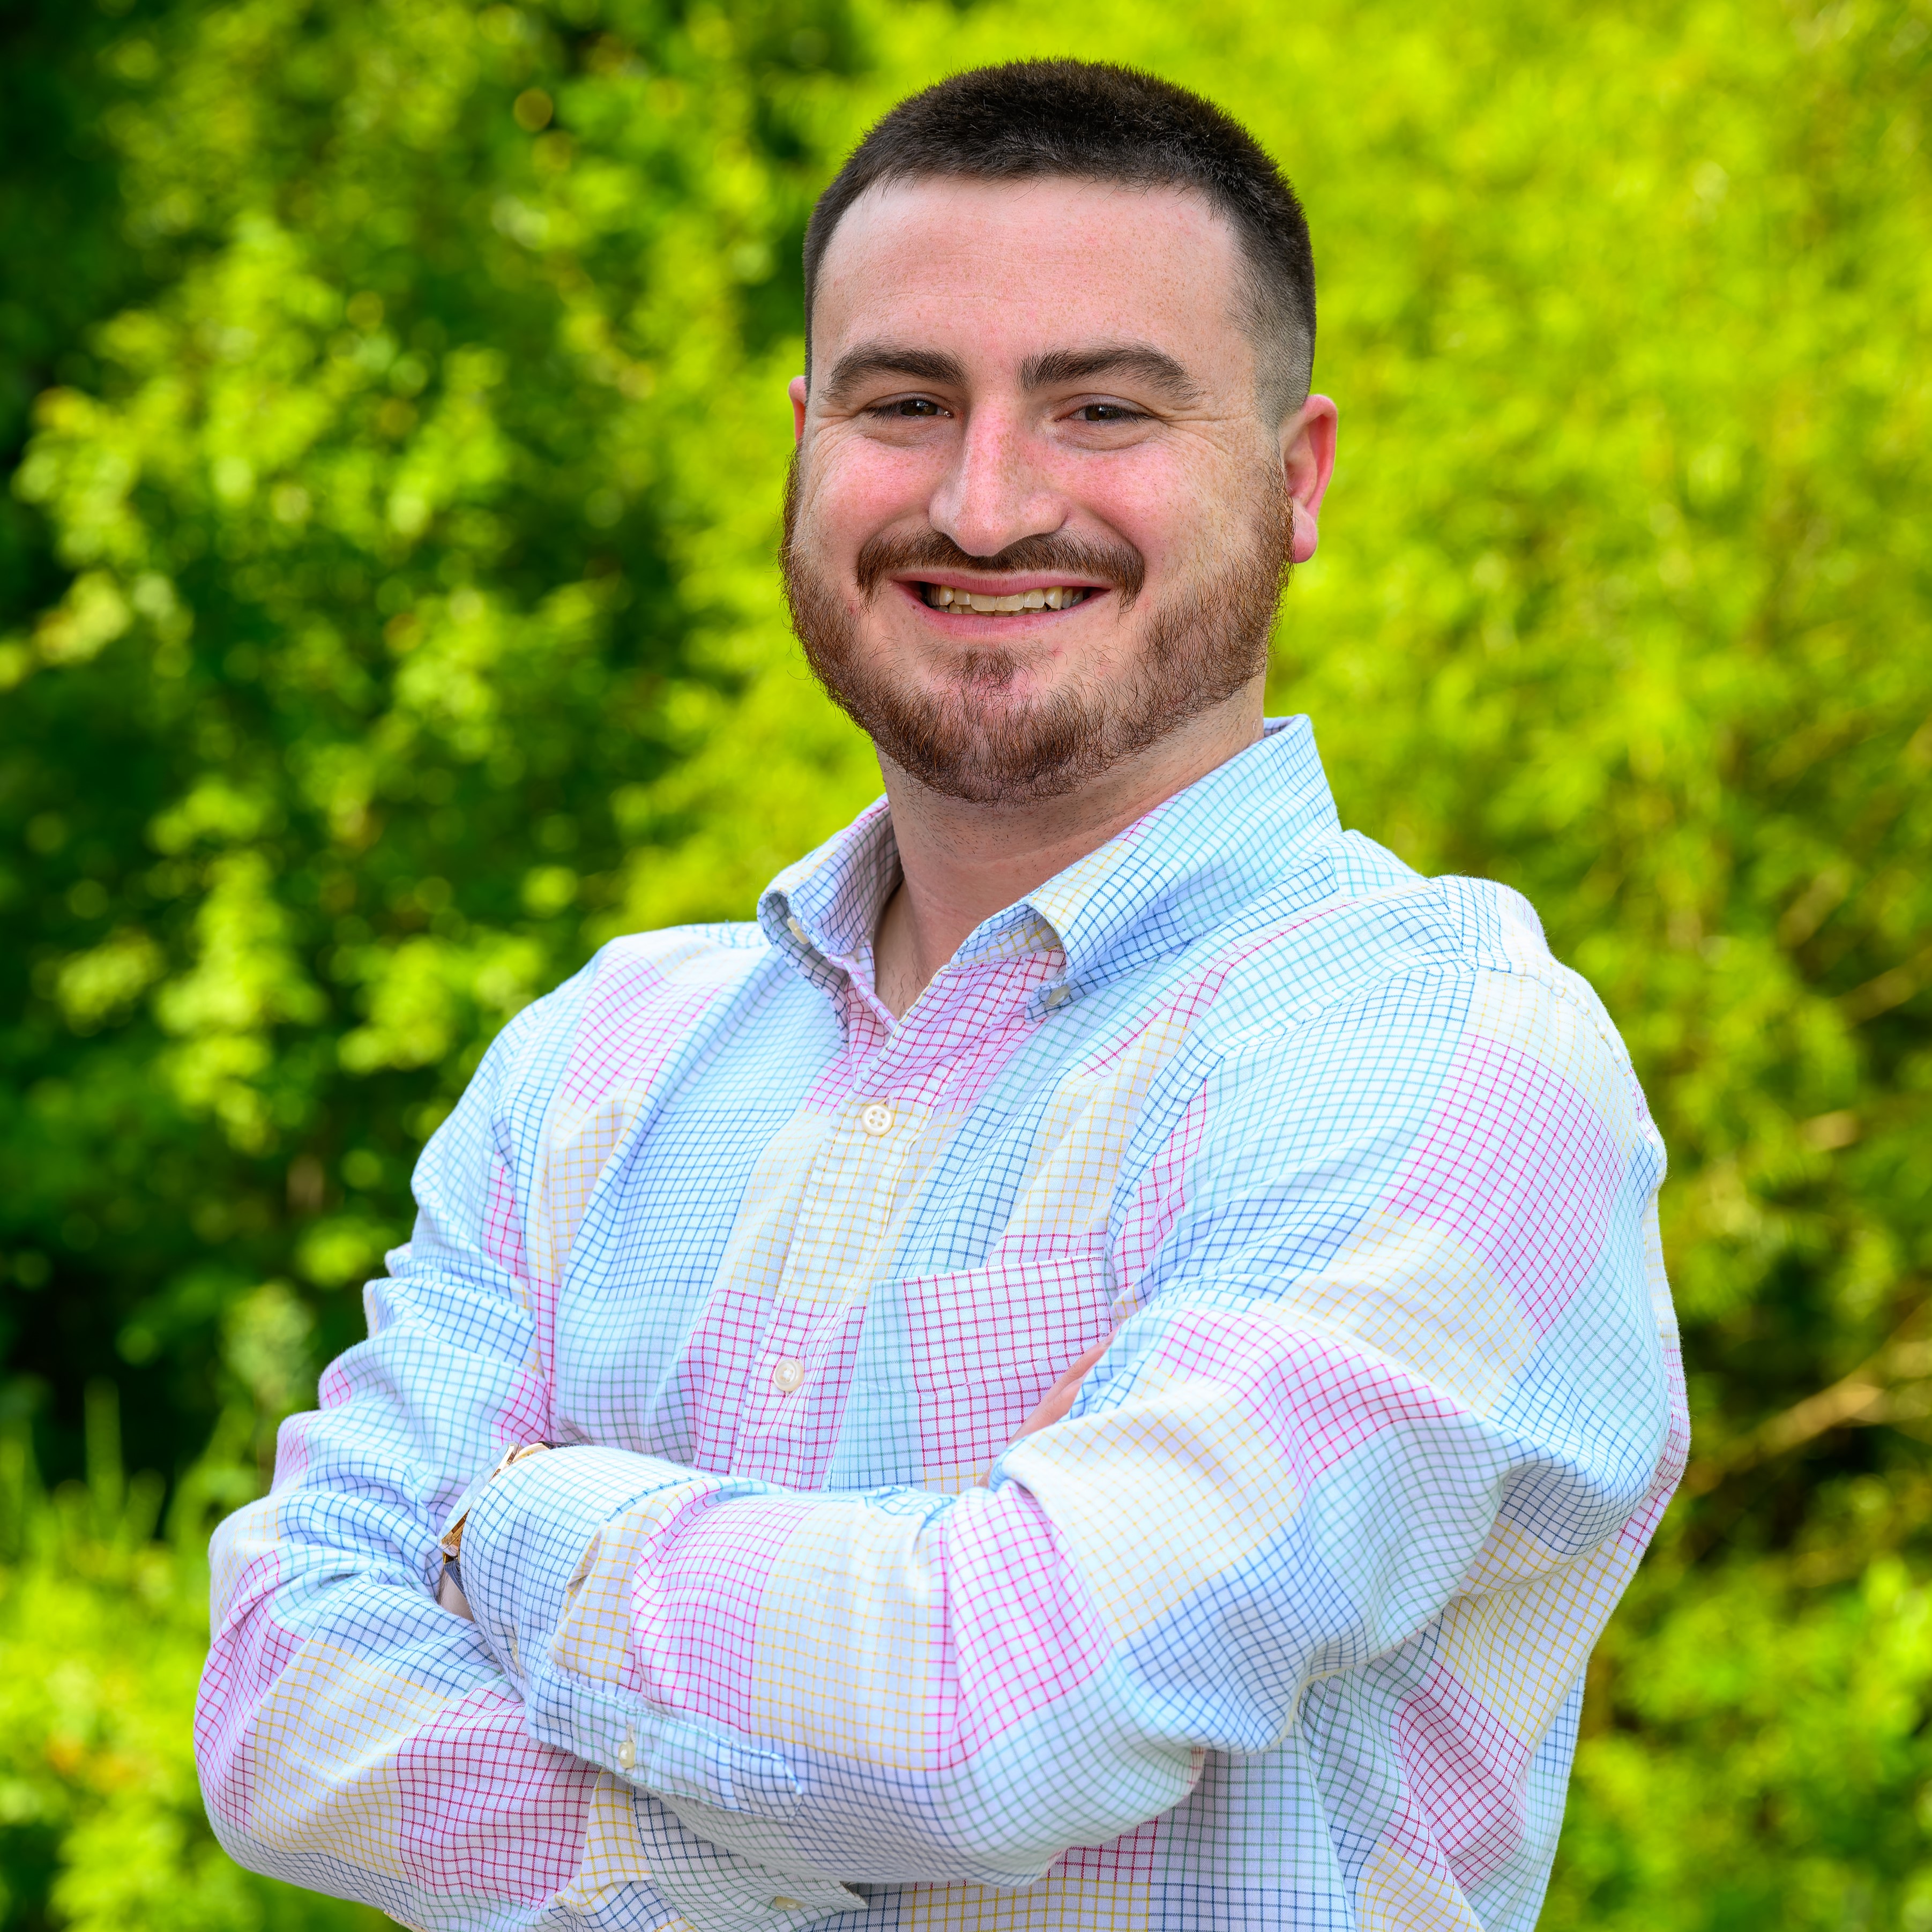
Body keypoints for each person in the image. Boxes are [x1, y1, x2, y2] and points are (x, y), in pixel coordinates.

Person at [196, 60, 1685, 1932]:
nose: (987, 506)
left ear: (1293, 479)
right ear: (805, 444)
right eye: (907, 405)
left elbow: (984, 1720)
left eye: (1103, 409)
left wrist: (505, 1527)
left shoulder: (1446, 1055)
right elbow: (276, 1697)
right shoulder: (596, 1060)